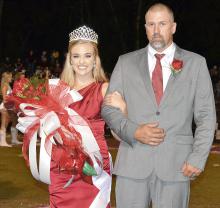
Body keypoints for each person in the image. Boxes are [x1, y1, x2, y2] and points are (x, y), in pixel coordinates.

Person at [102, 3, 216, 208]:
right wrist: (134, 131)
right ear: (145, 28)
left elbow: (206, 116)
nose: (156, 31)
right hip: (132, 165)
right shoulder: (125, 62)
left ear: (173, 27)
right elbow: (109, 109)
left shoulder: (196, 63)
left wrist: (198, 157)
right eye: (151, 24)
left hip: (177, 166)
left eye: (162, 24)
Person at [49, 25, 120, 208]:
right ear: (70, 60)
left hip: (93, 162)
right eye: (76, 56)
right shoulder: (58, 91)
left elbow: (119, 133)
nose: (82, 62)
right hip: (61, 165)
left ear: (95, 60)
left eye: (88, 56)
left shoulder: (104, 89)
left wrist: (124, 111)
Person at [0, 71, 21, 147]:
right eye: (10, 77)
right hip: (5, 106)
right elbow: (4, 98)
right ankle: (2, 142)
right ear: (6, 78)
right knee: (4, 123)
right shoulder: (4, 85)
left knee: (6, 123)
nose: (11, 78)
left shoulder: (7, 85)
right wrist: (12, 99)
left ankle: (3, 141)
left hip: (8, 106)